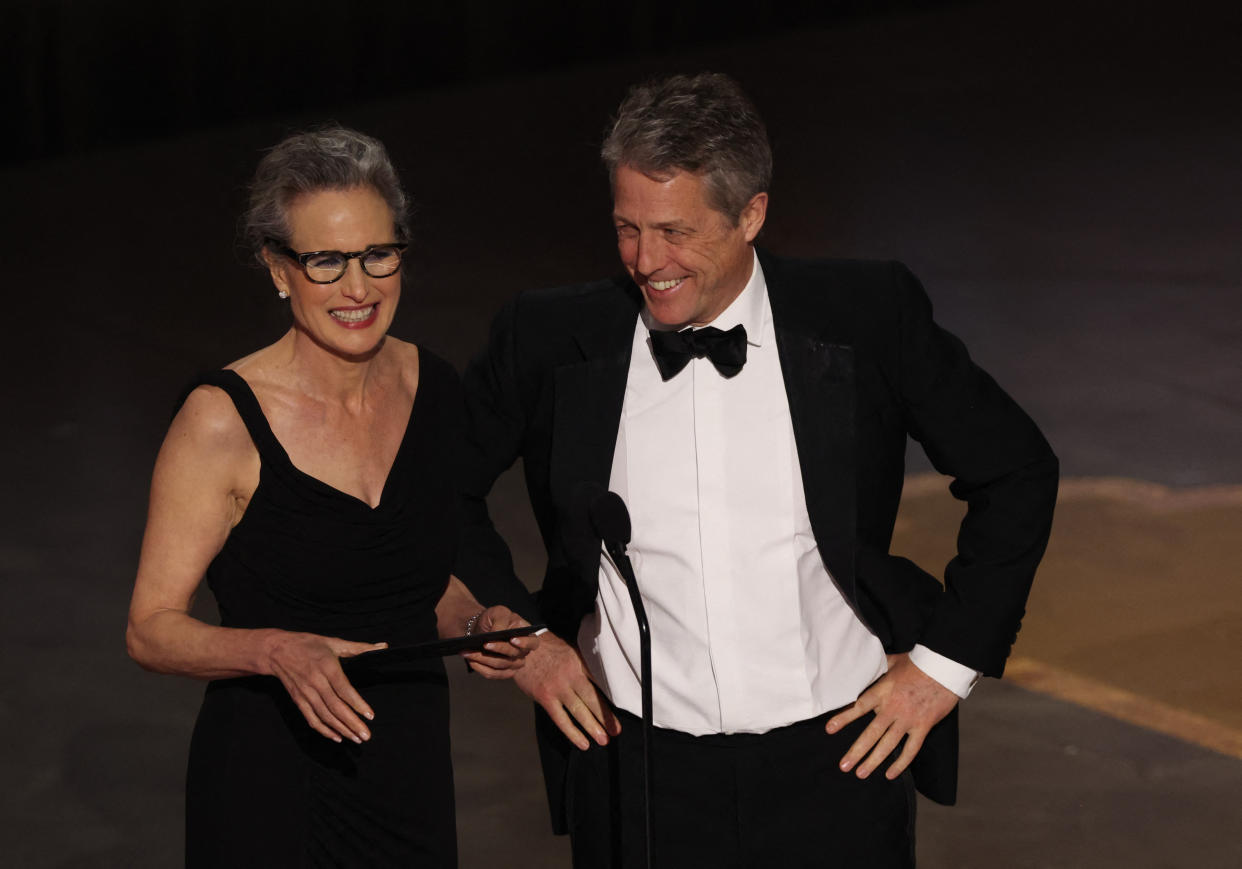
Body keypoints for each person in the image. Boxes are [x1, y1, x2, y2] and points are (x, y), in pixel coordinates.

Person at [456, 73, 1058, 868]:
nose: (646, 261)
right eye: (626, 228)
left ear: (752, 214)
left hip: (841, 762)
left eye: (675, 231)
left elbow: (1016, 469)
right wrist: (516, 632)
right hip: (631, 769)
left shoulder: (867, 315)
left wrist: (945, 668)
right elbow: (435, 487)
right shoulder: (550, 337)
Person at [126, 126, 536, 868]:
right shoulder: (222, 419)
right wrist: (276, 649)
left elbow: (410, 576)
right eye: (326, 262)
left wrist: (475, 617)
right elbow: (150, 629)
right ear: (278, 270)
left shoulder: (433, 389)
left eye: (379, 254)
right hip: (271, 779)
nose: (359, 288)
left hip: (408, 764)